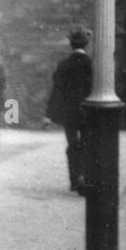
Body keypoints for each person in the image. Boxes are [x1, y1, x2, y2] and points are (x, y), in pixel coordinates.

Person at [45, 28, 93, 193]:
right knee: (87, 145)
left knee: (72, 145)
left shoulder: (64, 64)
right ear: (86, 45)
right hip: (89, 112)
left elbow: (57, 90)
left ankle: (74, 180)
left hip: (69, 113)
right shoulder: (91, 64)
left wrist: (48, 115)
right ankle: (85, 179)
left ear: (71, 45)